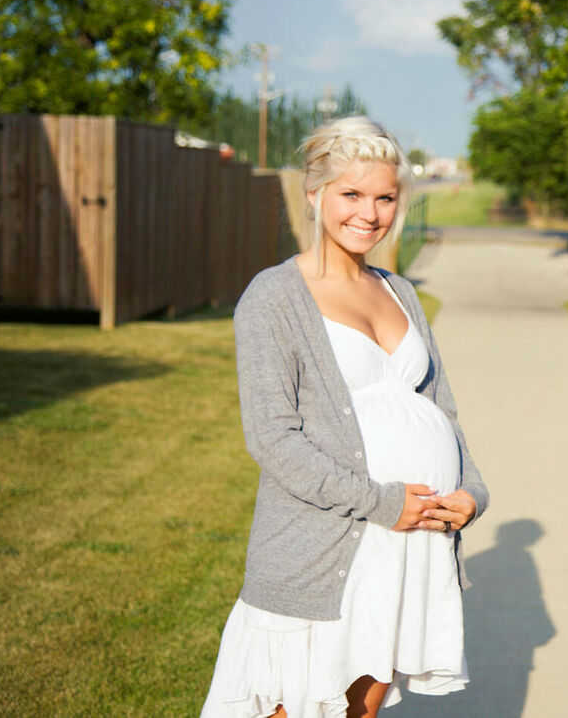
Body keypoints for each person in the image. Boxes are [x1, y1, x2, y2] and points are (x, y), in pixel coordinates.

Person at [201, 116, 489, 718]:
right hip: (324, 546)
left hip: (410, 545)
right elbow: (273, 439)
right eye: (351, 194)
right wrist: (382, 503)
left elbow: (442, 411)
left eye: (385, 197)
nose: (370, 213)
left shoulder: (400, 291)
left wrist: (471, 493)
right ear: (314, 193)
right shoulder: (274, 296)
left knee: (361, 712)